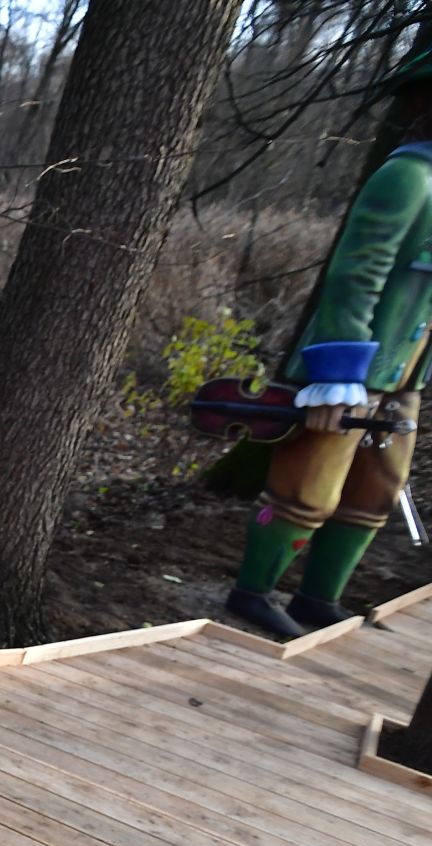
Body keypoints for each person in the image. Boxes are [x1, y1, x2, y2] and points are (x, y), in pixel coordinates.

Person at [225, 48, 431, 638]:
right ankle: (254, 591)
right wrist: (342, 369)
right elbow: (356, 273)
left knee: (375, 493)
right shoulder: (407, 176)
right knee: (307, 489)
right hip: (351, 370)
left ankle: (319, 596)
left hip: (403, 376)